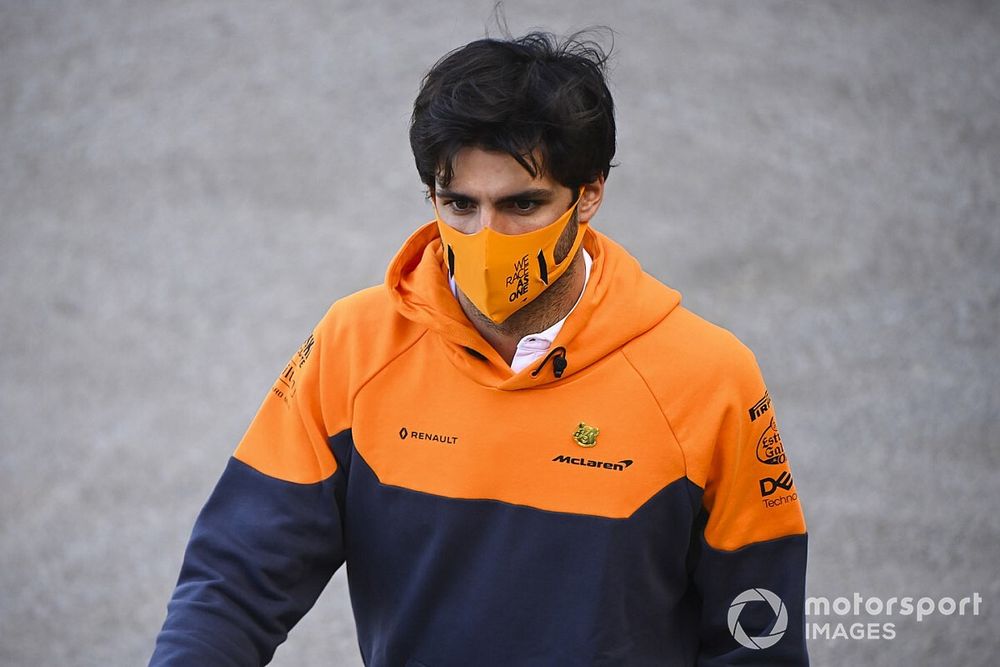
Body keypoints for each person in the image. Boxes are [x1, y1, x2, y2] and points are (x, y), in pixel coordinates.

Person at [150, 30, 809, 666]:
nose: (486, 236)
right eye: (459, 203)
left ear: (590, 195)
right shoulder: (351, 347)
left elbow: (757, 633)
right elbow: (233, 582)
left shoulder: (710, 378)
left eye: (521, 204)